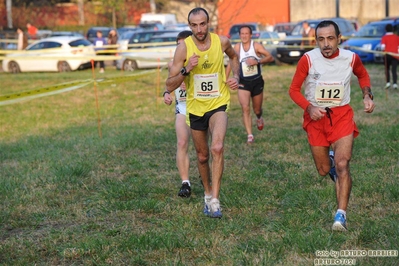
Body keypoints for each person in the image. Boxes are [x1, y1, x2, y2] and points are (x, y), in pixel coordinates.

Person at [289, 20, 375, 231]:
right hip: (315, 118)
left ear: (339, 39)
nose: (326, 44)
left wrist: (367, 95)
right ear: (316, 40)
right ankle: (331, 164)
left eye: (330, 38)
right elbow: (293, 90)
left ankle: (341, 215)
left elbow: (362, 74)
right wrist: (309, 108)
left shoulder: (350, 58)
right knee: (323, 170)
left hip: (341, 115)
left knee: (343, 164)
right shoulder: (308, 59)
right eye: (321, 39)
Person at [165, 7, 240, 218]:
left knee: (217, 147)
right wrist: (186, 69)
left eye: (203, 24)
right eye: (195, 25)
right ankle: (207, 193)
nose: (199, 29)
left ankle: (215, 199)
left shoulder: (221, 41)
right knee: (202, 155)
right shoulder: (183, 49)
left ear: (209, 23)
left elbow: (234, 57)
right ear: (190, 27)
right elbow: (170, 84)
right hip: (195, 108)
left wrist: (237, 77)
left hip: (218, 103)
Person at [225, 25, 274, 143]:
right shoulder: (237, 47)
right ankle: (250, 135)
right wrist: (225, 78)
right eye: (242, 34)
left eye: (246, 34)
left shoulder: (256, 46)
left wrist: (257, 61)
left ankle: (259, 117)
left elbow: (270, 57)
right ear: (240, 35)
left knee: (257, 109)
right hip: (243, 82)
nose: (244, 36)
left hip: (257, 81)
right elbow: (232, 62)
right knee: (245, 108)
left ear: (251, 35)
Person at [163, 30, 193, 198]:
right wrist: (166, 94)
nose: (181, 48)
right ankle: (185, 182)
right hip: (182, 107)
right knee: (182, 142)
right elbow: (169, 84)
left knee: (203, 148)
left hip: (200, 107)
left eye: (184, 44)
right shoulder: (172, 64)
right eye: (178, 44)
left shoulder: (198, 61)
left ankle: (207, 177)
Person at [381, 23, 399, 89]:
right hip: (395, 55)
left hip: (387, 55)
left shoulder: (384, 37)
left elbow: (383, 47)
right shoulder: (397, 37)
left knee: (387, 69)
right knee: (394, 70)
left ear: (386, 30)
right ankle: (395, 84)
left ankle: (388, 82)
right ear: (393, 29)